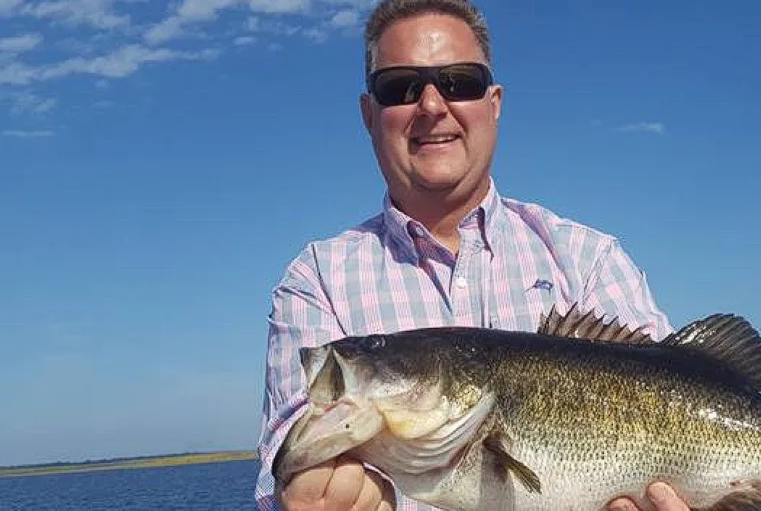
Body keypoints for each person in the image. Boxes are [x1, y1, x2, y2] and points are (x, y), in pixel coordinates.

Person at [255, 1, 693, 510]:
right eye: (400, 87)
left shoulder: (588, 259)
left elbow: (683, 385)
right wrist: (305, 488)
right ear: (369, 114)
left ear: (494, 102)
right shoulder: (316, 280)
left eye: (459, 82)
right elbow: (286, 451)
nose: (431, 105)